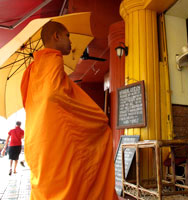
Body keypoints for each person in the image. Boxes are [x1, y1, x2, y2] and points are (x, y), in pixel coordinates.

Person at [21, 21, 117, 199]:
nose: (70, 42)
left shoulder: (33, 68)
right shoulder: (52, 59)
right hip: (54, 135)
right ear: (56, 36)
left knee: (50, 184)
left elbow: (34, 101)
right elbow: (54, 95)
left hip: (38, 137)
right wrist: (97, 116)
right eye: (67, 36)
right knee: (71, 182)